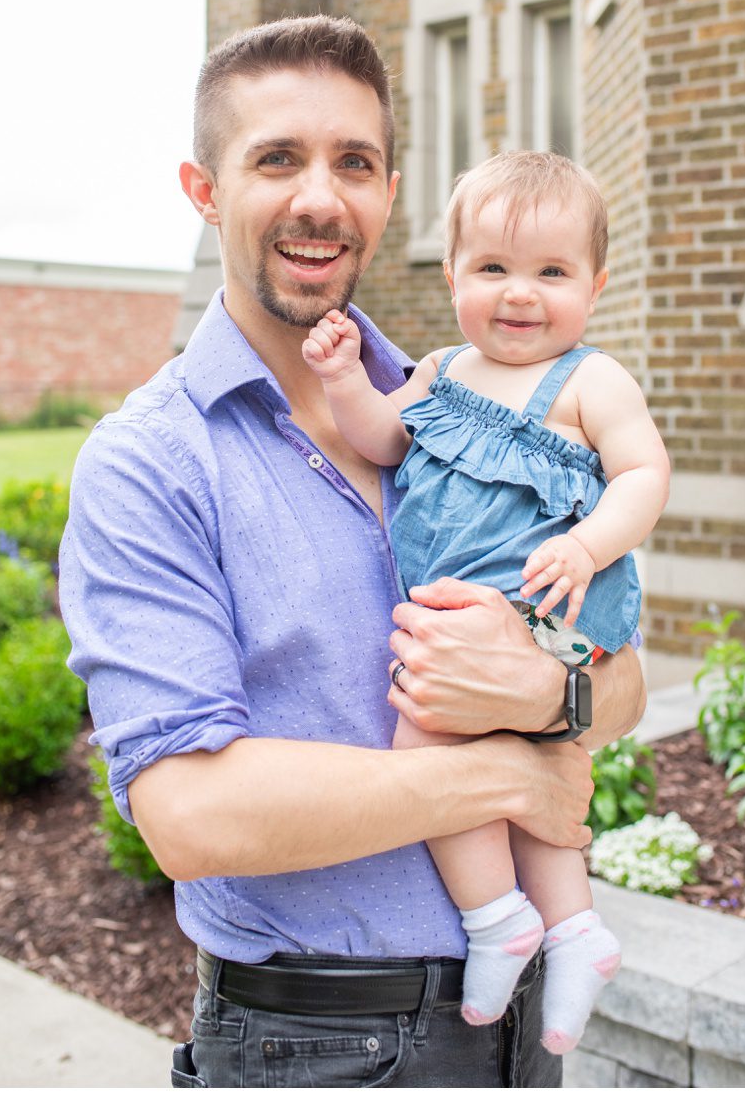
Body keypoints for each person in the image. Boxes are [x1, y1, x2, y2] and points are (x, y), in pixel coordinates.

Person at [58, 15, 648, 1088]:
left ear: (387, 192)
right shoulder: (148, 463)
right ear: (202, 188)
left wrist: (556, 697)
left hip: (516, 1034)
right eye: (275, 158)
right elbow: (188, 813)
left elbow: (626, 680)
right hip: (319, 1046)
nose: (319, 197)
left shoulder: (465, 409)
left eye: (354, 163)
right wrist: (506, 771)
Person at [302, 150, 668, 1053]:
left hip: (537, 609)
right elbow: (384, 439)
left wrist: (588, 543)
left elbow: (644, 472)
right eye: (494, 268)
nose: (520, 294)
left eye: (552, 271)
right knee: (512, 767)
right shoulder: (438, 370)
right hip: (456, 614)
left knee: (427, 735)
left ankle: (496, 915)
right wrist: (347, 378)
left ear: (596, 283)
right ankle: (575, 930)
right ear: (452, 273)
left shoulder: (590, 380)